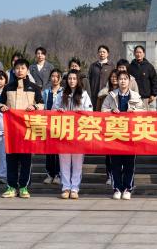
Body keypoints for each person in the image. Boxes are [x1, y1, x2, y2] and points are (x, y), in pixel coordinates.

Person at [0, 59, 44, 199]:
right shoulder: (8, 87)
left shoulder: (34, 87)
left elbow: (42, 104)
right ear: (13, 70)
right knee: (11, 159)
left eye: (22, 68)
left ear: (27, 70)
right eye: (17, 68)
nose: (20, 70)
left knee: (26, 160)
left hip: (27, 130)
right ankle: (11, 187)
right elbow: (0, 104)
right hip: (11, 130)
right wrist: (2, 107)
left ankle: (24, 187)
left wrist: (34, 107)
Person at [101, 70, 145, 200]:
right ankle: (117, 188)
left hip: (131, 135)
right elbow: (103, 111)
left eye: (125, 79)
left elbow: (143, 112)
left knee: (129, 163)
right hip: (115, 134)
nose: (123, 81)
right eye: (120, 79)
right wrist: (111, 111)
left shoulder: (135, 96)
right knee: (115, 163)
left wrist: (134, 111)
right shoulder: (111, 95)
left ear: (129, 81)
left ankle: (127, 188)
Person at [52, 69, 93, 199]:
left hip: (78, 133)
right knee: (64, 161)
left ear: (78, 80)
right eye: (70, 78)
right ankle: (65, 188)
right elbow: (53, 110)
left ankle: (75, 188)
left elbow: (90, 112)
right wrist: (58, 111)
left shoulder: (84, 94)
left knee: (77, 162)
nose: (72, 81)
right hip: (64, 133)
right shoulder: (61, 94)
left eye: (74, 78)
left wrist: (81, 113)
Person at [97, 70, 119, 186]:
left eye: (116, 77)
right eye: (112, 77)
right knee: (109, 154)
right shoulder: (104, 93)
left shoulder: (124, 92)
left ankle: (119, 175)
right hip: (108, 125)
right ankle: (110, 175)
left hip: (122, 126)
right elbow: (100, 110)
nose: (114, 79)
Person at [42, 69, 63, 185]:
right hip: (48, 124)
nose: (55, 78)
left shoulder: (63, 92)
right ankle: (50, 174)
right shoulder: (46, 92)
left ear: (61, 78)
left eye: (57, 76)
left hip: (61, 124)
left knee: (59, 151)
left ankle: (58, 174)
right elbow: (43, 106)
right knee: (49, 151)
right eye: (53, 76)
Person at [128, 45, 157, 111]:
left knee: (147, 116)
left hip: (146, 98)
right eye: (137, 52)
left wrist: (153, 94)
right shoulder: (130, 67)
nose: (138, 54)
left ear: (144, 54)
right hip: (133, 98)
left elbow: (154, 80)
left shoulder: (149, 66)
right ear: (134, 53)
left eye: (140, 52)